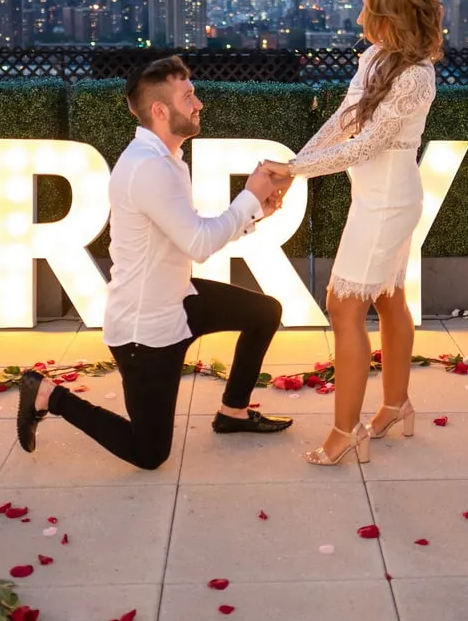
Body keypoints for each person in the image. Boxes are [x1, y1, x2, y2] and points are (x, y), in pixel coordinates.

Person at [16, 55, 296, 470]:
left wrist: (255, 213)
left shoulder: (166, 161)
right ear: (160, 111)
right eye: (189, 97)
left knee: (264, 312)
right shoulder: (147, 168)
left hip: (178, 300)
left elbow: (191, 232)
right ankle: (49, 396)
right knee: (149, 454)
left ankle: (233, 412)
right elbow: (199, 243)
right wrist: (250, 197)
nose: (198, 104)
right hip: (145, 331)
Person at [266, 0, 443, 465]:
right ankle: (395, 405)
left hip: (389, 202)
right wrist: (292, 168)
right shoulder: (375, 57)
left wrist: (294, 169)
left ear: (393, 12)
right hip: (376, 197)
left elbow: (368, 144)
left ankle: (346, 432)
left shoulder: (416, 77)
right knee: (387, 299)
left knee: (344, 307)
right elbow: (343, 121)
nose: (362, 13)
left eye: (370, 5)